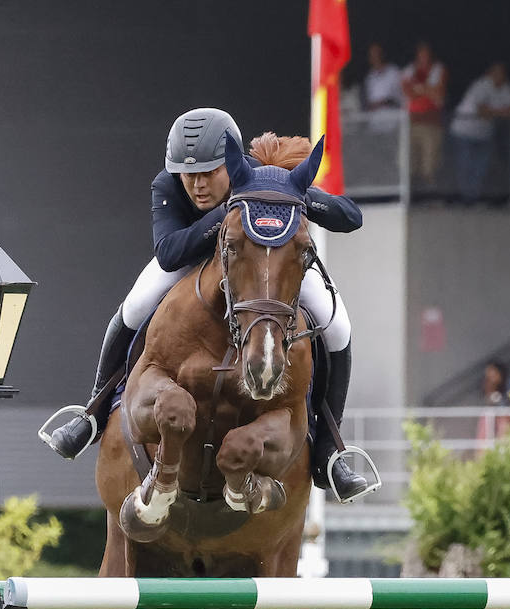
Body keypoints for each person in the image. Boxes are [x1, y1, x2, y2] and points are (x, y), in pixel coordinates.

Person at [42, 108, 376, 502]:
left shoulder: (256, 177)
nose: (197, 185)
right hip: (191, 260)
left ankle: (329, 450)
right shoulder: (166, 185)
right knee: (134, 307)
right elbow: (169, 253)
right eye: (189, 175)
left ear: (230, 165)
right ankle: (93, 412)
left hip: (262, 270)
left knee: (338, 327)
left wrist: (296, 196)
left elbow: (350, 217)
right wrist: (231, 209)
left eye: (209, 173)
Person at [451, 62, 510, 203]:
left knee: (480, 168)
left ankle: (473, 198)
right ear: (490, 74)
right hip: (464, 130)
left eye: (502, 74)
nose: (499, 76)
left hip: (484, 134)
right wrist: (498, 112)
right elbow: (481, 111)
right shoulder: (482, 85)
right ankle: (464, 198)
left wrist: (492, 112)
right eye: (496, 73)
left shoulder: (506, 88)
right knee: (465, 165)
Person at [401, 41, 447, 187]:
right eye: (421, 53)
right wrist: (426, 90)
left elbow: (438, 94)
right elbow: (408, 93)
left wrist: (421, 89)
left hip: (430, 124)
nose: (423, 57)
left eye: (426, 54)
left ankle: (431, 195)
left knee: (430, 165)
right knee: (408, 163)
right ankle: (413, 197)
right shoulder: (409, 70)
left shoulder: (438, 69)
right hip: (411, 122)